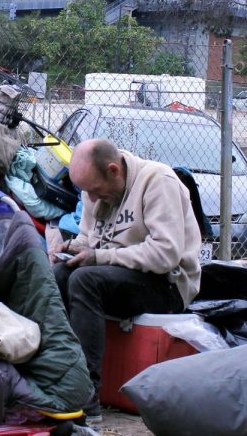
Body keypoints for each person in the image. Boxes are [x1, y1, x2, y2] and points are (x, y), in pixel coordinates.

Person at [49, 138, 203, 419]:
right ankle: (61, 381)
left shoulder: (157, 181)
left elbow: (164, 255)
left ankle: (87, 397)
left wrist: (98, 257)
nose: (91, 199)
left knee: (85, 280)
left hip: (167, 284)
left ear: (113, 170)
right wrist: (73, 247)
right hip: (118, 275)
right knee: (60, 274)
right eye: (87, 193)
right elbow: (89, 238)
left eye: (95, 191)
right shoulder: (94, 188)